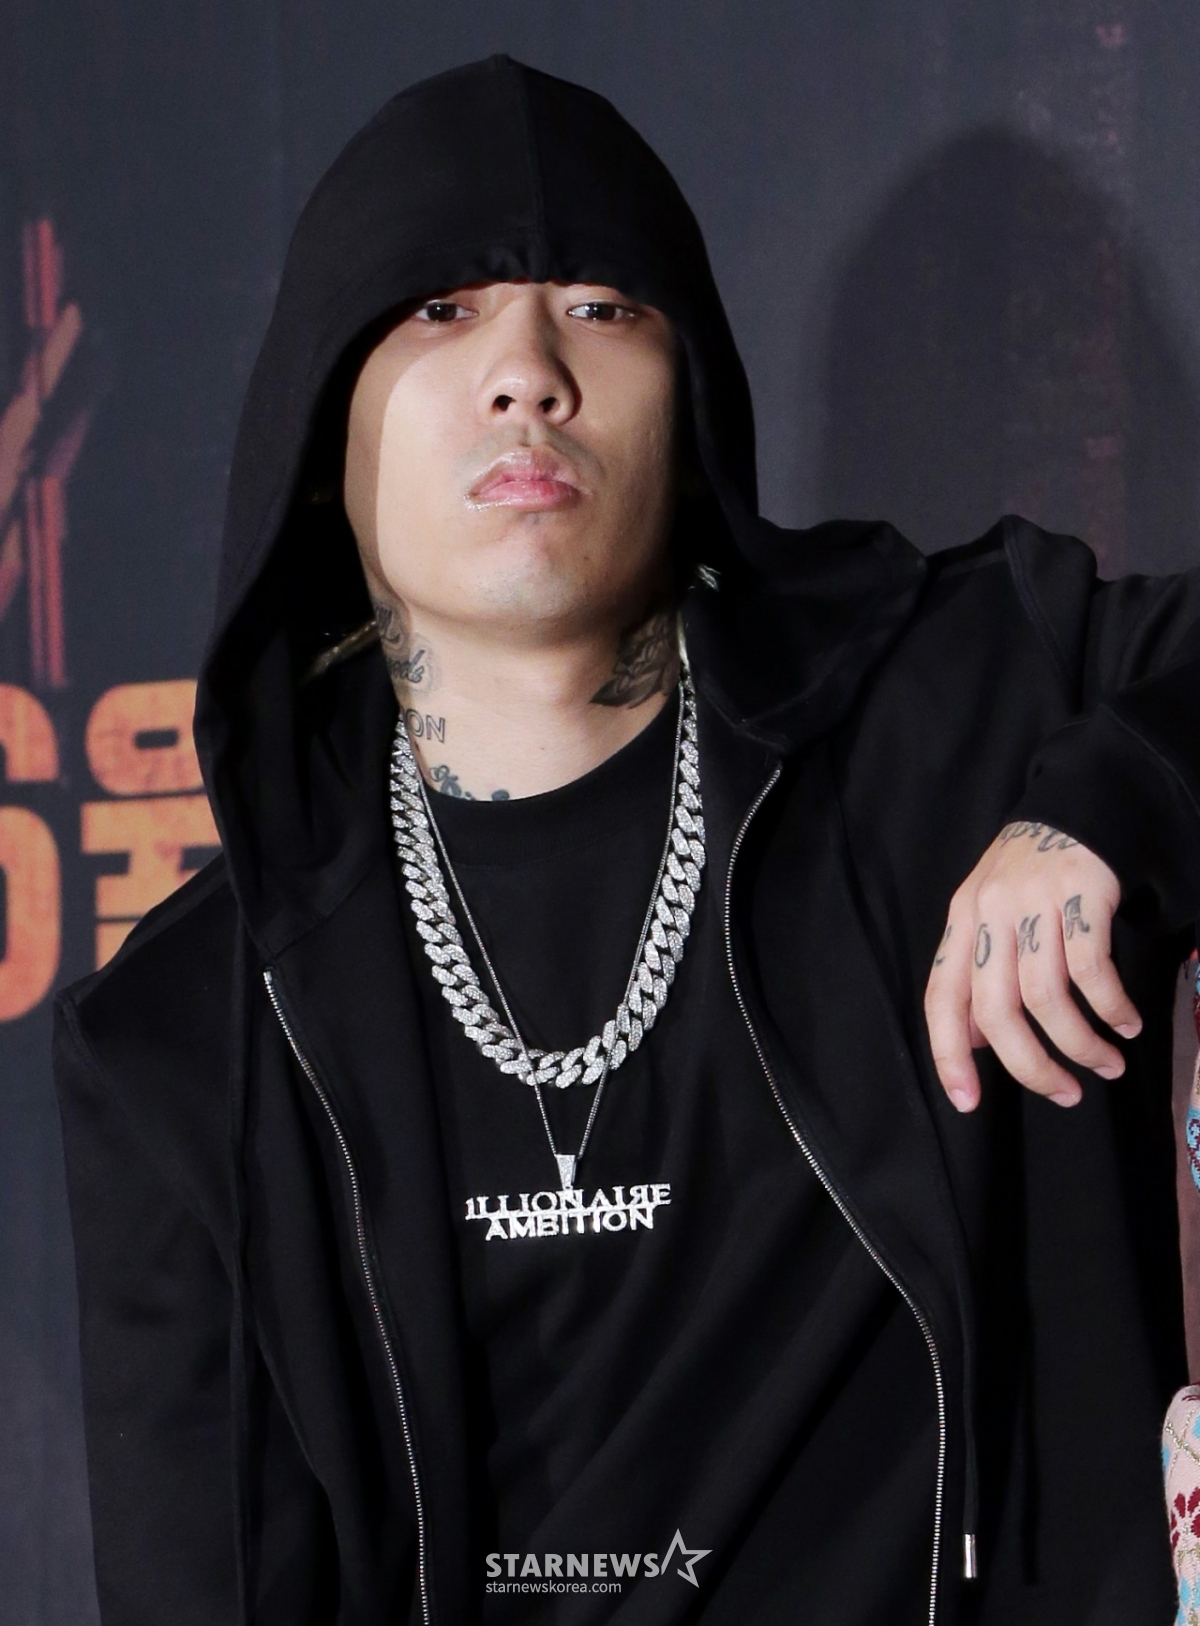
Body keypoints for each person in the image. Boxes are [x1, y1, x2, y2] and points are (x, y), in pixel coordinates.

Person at [54, 55, 1200, 1625]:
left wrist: (1114, 797)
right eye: (441, 309)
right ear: (324, 424)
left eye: (601, 306)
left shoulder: (963, 702)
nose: (528, 372)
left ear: (697, 397)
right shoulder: (191, 1037)